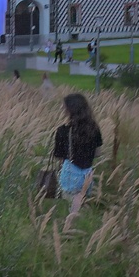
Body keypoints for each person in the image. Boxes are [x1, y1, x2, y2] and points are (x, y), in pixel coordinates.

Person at [53, 93, 103, 226]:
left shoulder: (62, 131)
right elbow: (98, 153)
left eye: (64, 107)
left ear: (70, 110)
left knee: (70, 209)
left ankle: (67, 229)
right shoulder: (94, 129)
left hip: (69, 172)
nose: (63, 109)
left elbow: (59, 156)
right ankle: (78, 230)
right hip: (87, 174)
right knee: (81, 205)